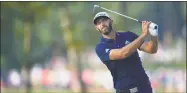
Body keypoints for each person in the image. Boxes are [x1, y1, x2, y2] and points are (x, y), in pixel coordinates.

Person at [93, 12, 158, 93]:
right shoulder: (100, 47)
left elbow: (151, 49)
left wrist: (153, 34)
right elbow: (122, 53)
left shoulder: (128, 35)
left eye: (104, 20)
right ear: (97, 28)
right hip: (125, 90)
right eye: (98, 23)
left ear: (111, 21)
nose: (102, 24)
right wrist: (143, 34)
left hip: (144, 88)